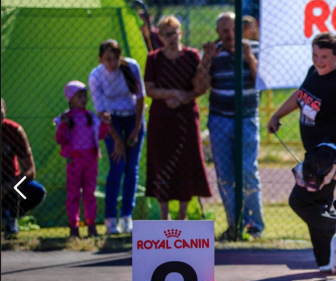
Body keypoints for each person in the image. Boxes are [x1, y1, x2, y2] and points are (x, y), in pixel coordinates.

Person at [269, 32, 336, 268]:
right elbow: (301, 95)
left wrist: (335, 154)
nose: (318, 60)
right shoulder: (315, 72)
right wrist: (277, 114)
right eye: (315, 55)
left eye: (324, 56)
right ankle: (326, 260)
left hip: (332, 162)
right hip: (317, 159)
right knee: (316, 204)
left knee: (301, 201)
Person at [195, 12, 264, 239]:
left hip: (246, 117)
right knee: (224, 174)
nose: (228, 34)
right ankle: (234, 224)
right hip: (220, 119)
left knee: (247, 171)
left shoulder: (253, 49)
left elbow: (262, 82)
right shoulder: (213, 53)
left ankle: (254, 225)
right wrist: (206, 60)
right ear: (217, 32)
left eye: (232, 29)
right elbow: (199, 88)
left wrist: (249, 59)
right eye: (223, 30)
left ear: (240, 29)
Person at [144, 15, 211, 220]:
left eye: (175, 33)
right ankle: (164, 215)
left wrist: (185, 98)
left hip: (186, 118)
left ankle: (182, 214)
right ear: (161, 37)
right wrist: (173, 95)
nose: (172, 38)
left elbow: (200, 86)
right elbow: (149, 88)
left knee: (186, 162)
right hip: (161, 118)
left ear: (180, 33)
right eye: (167, 34)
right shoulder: (154, 58)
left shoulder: (191, 56)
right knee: (160, 162)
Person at [88, 40, 146, 235]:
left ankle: (127, 217)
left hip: (133, 120)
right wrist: (117, 141)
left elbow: (140, 98)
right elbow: (101, 111)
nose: (112, 63)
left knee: (131, 169)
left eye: (115, 58)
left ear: (120, 57)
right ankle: (111, 218)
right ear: (100, 59)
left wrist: (136, 130)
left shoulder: (131, 67)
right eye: (107, 59)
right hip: (112, 124)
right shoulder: (96, 76)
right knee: (117, 166)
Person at [55, 81, 110, 238]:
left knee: (89, 193)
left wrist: (105, 124)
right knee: (73, 194)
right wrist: (64, 125)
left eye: (85, 95)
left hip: (90, 159)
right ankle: (74, 226)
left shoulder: (90, 117)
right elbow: (61, 140)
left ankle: (91, 225)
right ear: (70, 98)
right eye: (79, 96)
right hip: (74, 161)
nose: (83, 99)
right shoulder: (65, 118)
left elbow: (99, 136)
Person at [1, 98, 46, 237]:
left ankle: (9, 217)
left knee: (35, 191)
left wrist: (6, 187)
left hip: (11, 185)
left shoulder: (14, 131)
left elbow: (30, 171)